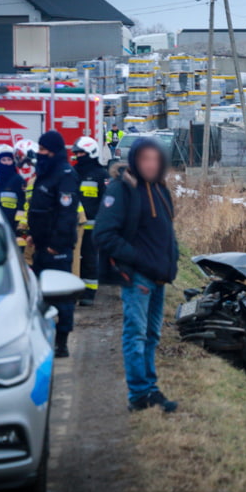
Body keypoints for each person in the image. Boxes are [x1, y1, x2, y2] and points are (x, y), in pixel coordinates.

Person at [94, 138, 178, 413]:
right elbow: (104, 235)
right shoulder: (122, 190)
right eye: (145, 159)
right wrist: (137, 261)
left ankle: (150, 389)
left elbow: (166, 232)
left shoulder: (160, 189)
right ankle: (139, 395)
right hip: (138, 278)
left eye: (155, 159)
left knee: (152, 335)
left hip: (159, 278)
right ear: (135, 161)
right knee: (136, 335)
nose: (151, 165)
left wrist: (171, 261)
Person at [28, 130, 80, 358]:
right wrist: (34, 235)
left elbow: (66, 213)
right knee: (41, 296)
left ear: (54, 150)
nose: (39, 153)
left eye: (43, 149)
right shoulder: (46, 172)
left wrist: (56, 244)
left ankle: (62, 341)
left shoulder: (65, 174)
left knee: (61, 295)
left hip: (56, 249)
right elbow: (42, 209)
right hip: (41, 245)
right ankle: (43, 337)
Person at [72, 136, 109, 306]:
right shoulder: (72, 173)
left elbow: (107, 201)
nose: (78, 156)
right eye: (77, 153)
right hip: (72, 226)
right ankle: (72, 290)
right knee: (72, 259)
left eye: (82, 152)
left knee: (89, 259)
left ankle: (89, 293)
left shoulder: (101, 175)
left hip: (92, 226)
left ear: (91, 153)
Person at [0, 144, 25, 233]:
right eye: (3, 160)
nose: (6, 162)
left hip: (13, 224)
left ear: (13, 161)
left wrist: (18, 225)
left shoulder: (18, 180)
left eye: (9, 160)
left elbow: (22, 203)